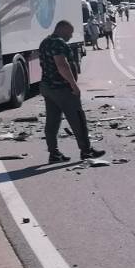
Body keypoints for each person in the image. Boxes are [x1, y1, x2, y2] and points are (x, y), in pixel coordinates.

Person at [38, 19, 105, 164]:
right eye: (70, 32)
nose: (71, 35)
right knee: (78, 119)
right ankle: (86, 150)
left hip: (47, 87)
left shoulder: (45, 42)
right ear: (61, 29)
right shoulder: (58, 43)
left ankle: (54, 153)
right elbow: (62, 65)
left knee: (52, 121)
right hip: (61, 88)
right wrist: (74, 85)